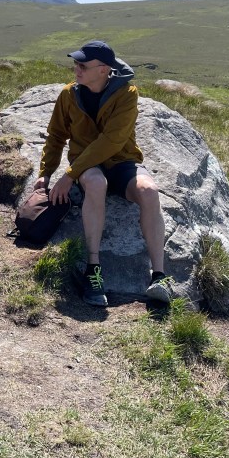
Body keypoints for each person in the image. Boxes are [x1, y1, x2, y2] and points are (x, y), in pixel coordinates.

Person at [35, 40, 171, 307]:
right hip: (88, 165)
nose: (76, 69)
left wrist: (69, 175)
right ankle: (93, 270)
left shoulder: (127, 94)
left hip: (121, 159)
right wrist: (46, 173)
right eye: (75, 63)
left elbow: (112, 141)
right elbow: (56, 136)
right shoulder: (69, 94)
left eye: (82, 65)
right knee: (96, 183)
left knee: (149, 191)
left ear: (104, 69)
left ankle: (159, 276)